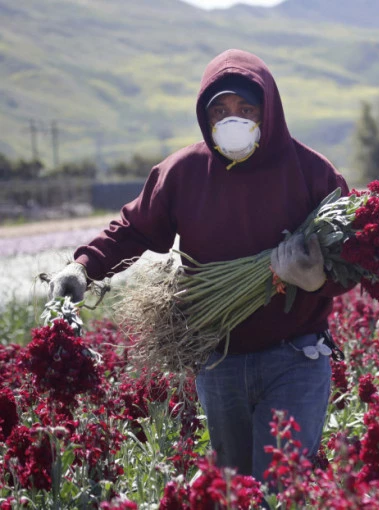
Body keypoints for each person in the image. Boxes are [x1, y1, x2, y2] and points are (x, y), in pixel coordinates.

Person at [48, 49, 353, 482]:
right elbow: (134, 229)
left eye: (246, 109)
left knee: (282, 488)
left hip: (296, 357)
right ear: (205, 118)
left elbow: (349, 261)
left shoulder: (311, 172)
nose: (233, 120)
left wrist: (317, 280)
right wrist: (82, 267)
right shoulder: (183, 172)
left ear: (269, 111)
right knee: (234, 489)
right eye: (220, 111)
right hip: (219, 358)